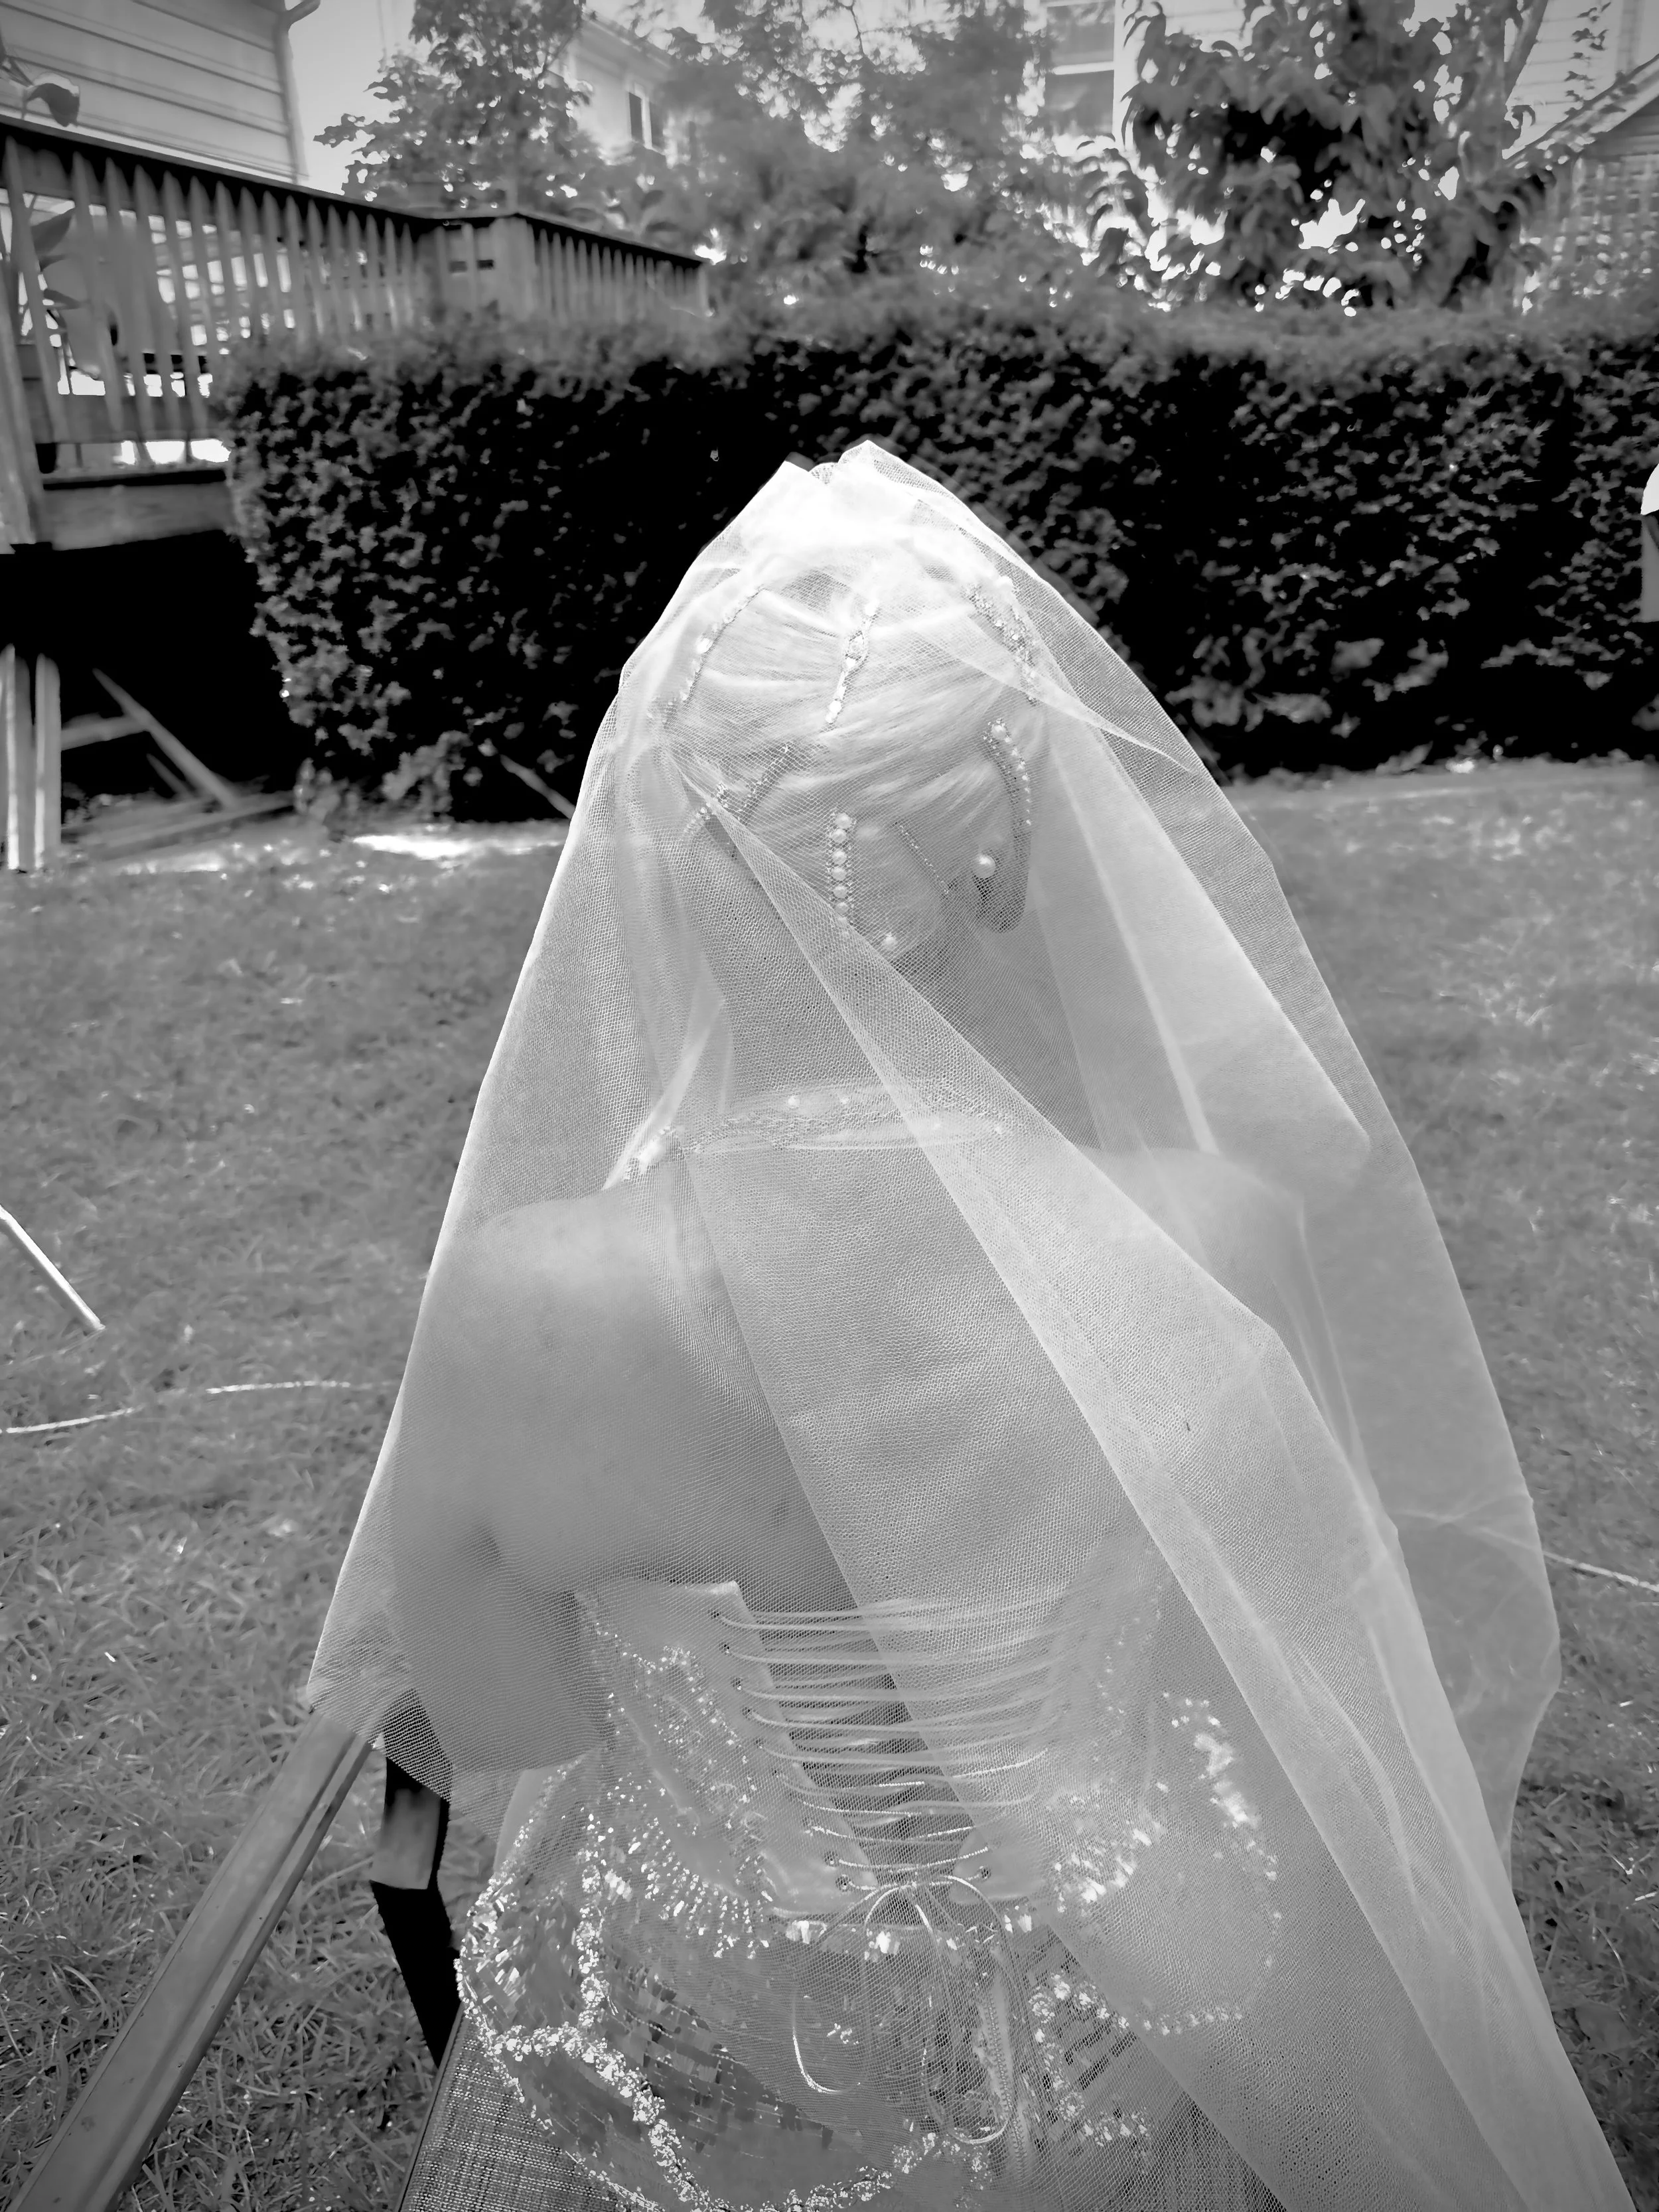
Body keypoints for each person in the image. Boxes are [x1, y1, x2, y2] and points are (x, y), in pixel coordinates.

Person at [308, 441, 1635, 2211]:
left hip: (706, 2058)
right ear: (1003, 851)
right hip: (1138, 2023)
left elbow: (508, 1715)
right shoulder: (1204, 1247)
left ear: (672, 858)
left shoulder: (521, 1303)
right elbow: (1280, 1671)